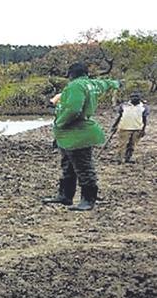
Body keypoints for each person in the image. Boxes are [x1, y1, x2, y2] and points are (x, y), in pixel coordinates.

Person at [43, 62, 120, 211]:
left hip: (76, 133)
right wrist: (116, 83)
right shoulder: (90, 84)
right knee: (69, 165)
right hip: (70, 135)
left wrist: (59, 122)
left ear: (71, 75)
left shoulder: (76, 86)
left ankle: (88, 200)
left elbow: (73, 110)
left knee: (83, 167)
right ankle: (65, 196)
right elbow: (105, 84)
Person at [110, 92, 149, 163]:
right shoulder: (124, 105)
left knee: (132, 145)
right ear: (130, 97)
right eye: (132, 96)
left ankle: (128, 158)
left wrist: (143, 129)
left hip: (137, 128)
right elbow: (119, 116)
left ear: (140, 98)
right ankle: (119, 158)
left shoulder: (144, 107)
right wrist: (114, 125)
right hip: (124, 127)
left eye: (136, 96)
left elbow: (144, 119)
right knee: (122, 144)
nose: (134, 98)